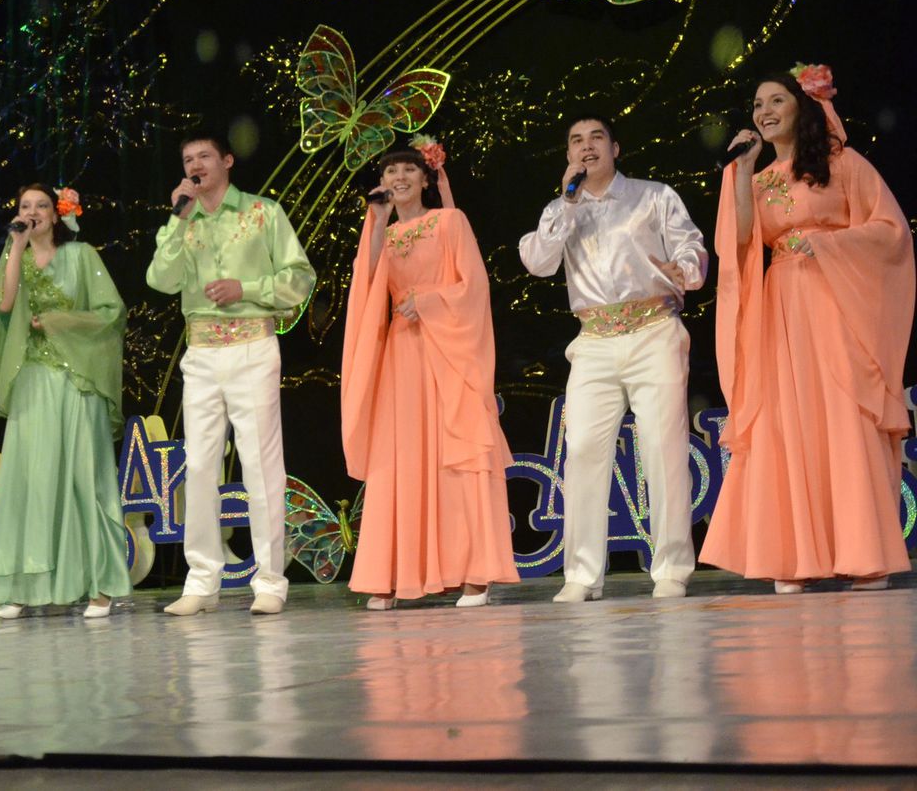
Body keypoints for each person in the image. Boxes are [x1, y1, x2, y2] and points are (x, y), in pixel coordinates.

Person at [703, 64, 915, 591]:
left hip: (838, 304)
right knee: (788, 423)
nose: (765, 112)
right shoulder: (757, 179)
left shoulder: (842, 164)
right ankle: (795, 556)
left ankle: (864, 555)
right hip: (782, 310)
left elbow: (891, 231)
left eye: (776, 100)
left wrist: (828, 243)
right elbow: (740, 244)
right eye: (758, 104)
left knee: (843, 417)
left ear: (803, 106)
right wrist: (743, 171)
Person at [518, 114, 707, 602]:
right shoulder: (562, 208)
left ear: (615, 148)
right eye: (576, 141)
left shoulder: (653, 196)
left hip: (653, 330)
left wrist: (685, 268)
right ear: (568, 155)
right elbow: (537, 262)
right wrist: (566, 203)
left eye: (596, 137)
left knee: (662, 447)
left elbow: (691, 245)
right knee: (582, 447)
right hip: (595, 338)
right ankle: (582, 574)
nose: (587, 147)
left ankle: (671, 567)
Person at [340, 138, 520, 609]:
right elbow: (366, 287)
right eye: (390, 172)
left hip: (450, 350)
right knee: (401, 460)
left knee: (457, 457)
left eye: (408, 170)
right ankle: (393, 574)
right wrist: (376, 222)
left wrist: (430, 301)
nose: (399, 178)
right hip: (403, 358)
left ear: (426, 178)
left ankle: (475, 572)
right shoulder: (379, 230)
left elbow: (473, 287)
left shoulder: (449, 222)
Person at [146, 130, 316, 616]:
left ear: (227, 161)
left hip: (252, 346)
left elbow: (300, 278)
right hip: (201, 351)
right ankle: (202, 580)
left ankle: (270, 580)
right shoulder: (183, 220)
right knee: (199, 464)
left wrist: (247, 287)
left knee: (260, 463)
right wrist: (177, 219)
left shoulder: (263, 212)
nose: (195, 165)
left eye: (204, 156)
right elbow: (160, 279)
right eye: (187, 159)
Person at [0, 185, 131, 618]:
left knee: (84, 476)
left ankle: (100, 585)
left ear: (57, 214)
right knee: (30, 477)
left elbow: (110, 313)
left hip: (77, 378)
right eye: (25, 206)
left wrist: (63, 321)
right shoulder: (16, 258)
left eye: (41, 205)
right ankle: (23, 585)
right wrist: (15, 246)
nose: (33, 212)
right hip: (33, 378)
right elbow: (4, 305)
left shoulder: (81, 256)